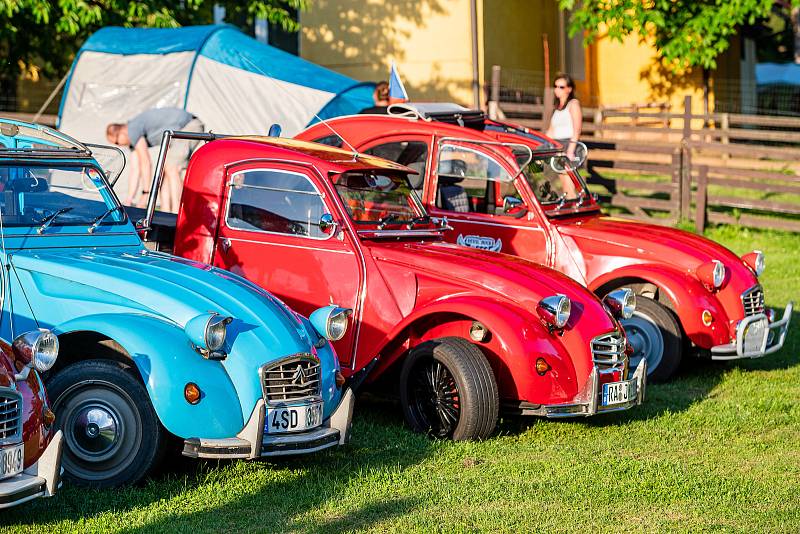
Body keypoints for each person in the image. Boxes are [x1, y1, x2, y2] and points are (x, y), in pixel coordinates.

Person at [106, 108, 204, 212]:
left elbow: (146, 163)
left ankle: (177, 211)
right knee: (165, 172)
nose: (119, 145)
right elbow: (135, 169)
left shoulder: (132, 130)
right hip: (179, 132)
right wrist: (129, 199)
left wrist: (146, 194)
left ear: (121, 133)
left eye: (116, 142)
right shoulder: (132, 135)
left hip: (189, 126)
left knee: (172, 168)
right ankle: (166, 211)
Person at [545, 73, 582, 198]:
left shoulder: (573, 104)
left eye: (561, 87)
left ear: (569, 89)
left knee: (568, 183)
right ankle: (571, 206)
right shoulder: (557, 107)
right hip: (557, 147)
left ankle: (575, 209)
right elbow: (551, 131)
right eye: (555, 86)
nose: (557, 89)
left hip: (568, 146)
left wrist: (570, 151)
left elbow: (577, 129)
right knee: (563, 183)